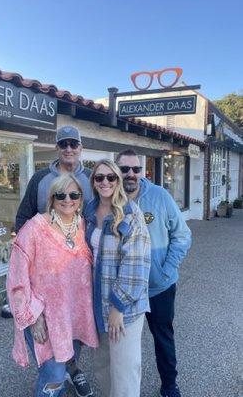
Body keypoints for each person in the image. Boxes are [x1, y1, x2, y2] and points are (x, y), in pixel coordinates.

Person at [3, 125, 94, 397]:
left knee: (70, 348)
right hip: (45, 299)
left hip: (76, 299)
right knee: (52, 369)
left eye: (73, 144)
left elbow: (110, 208)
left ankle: (73, 370)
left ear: (80, 147)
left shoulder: (91, 180)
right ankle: (60, 376)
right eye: (63, 143)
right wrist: (33, 250)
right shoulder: (40, 180)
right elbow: (22, 219)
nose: (68, 148)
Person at [116, 149, 192, 397]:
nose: (130, 174)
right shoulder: (110, 199)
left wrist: (166, 270)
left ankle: (169, 385)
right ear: (117, 171)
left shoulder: (160, 196)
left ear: (142, 171)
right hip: (125, 292)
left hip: (159, 288)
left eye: (135, 169)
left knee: (163, 338)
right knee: (124, 344)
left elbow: (182, 236)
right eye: (124, 169)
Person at [84, 159, 151, 397]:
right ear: (93, 182)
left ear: (118, 181)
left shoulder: (131, 214)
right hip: (96, 306)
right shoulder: (89, 212)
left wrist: (118, 307)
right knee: (102, 368)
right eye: (99, 177)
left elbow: (136, 264)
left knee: (124, 373)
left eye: (111, 177)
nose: (105, 182)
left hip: (124, 310)